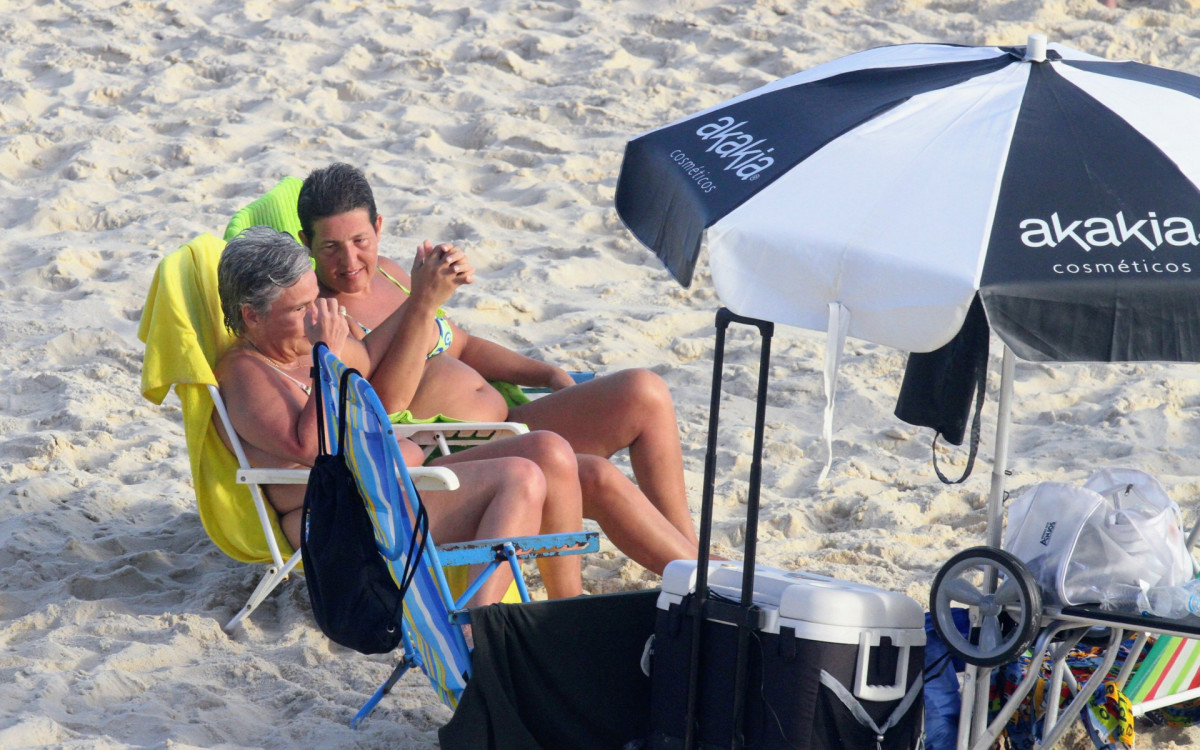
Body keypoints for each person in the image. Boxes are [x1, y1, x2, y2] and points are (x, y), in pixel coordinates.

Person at [297, 163, 703, 575]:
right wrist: (423, 302)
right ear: (306, 244)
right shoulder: (326, 317)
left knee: (643, 391)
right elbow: (384, 405)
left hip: (505, 422)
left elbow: (465, 345)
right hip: (454, 455)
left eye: (359, 240)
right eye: (330, 247)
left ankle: (690, 546)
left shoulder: (390, 272)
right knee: (594, 475)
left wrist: (544, 375)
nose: (349, 259)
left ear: (379, 227)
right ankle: (699, 579)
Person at [213, 226, 584, 604]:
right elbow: (312, 447)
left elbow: (370, 357)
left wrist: (422, 297)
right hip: (341, 517)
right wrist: (326, 354)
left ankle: (568, 606)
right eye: (300, 308)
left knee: (547, 449)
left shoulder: (301, 343)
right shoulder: (247, 374)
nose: (317, 316)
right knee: (519, 477)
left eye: (317, 301)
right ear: (252, 317)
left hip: (385, 488)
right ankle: (479, 628)